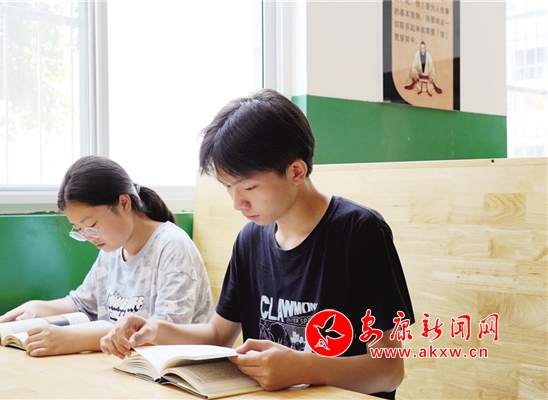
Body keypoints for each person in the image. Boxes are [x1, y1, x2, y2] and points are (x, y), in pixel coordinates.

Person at [100, 89, 414, 399]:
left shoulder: (360, 232)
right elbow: (219, 334)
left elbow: (388, 371)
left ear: (296, 171)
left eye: (249, 187)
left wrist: (304, 368)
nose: (238, 203)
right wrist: (157, 329)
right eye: (228, 188)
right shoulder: (250, 240)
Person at [0, 155, 214, 357]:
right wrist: (38, 307)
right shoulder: (113, 247)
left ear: (124, 203)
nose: (89, 237)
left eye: (92, 225)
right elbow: (83, 303)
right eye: (80, 230)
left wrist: (74, 340)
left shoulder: (172, 246)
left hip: (170, 372)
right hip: (124, 365)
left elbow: (162, 331)